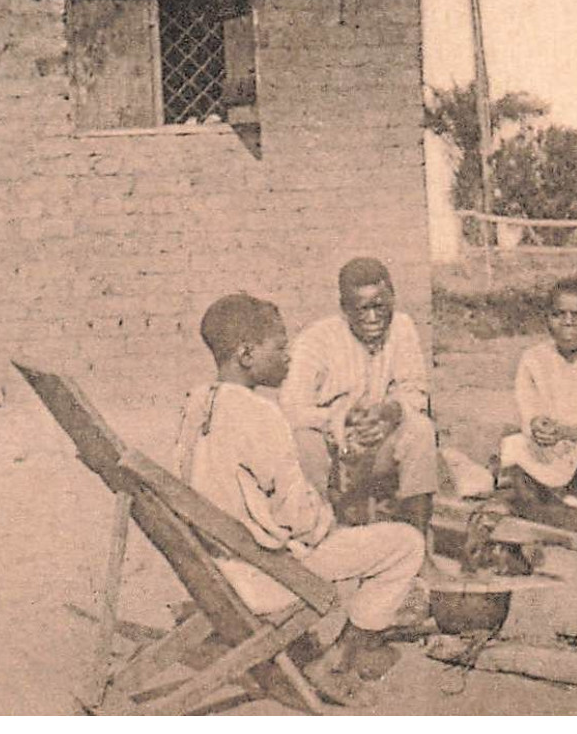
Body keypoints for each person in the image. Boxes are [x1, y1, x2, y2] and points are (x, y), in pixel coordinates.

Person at [175, 293, 424, 700]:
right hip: (262, 578)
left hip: (215, 569)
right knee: (404, 545)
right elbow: (299, 517)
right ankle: (335, 661)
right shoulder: (260, 415)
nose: (288, 355)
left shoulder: (200, 403)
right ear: (246, 354)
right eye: (280, 346)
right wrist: (331, 521)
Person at [280, 258, 438, 533]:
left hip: (378, 443)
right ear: (345, 310)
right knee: (303, 441)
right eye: (363, 309)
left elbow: (415, 391)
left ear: (393, 299)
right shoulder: (315, 341)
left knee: (420, 430)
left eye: (380, 306)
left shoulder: (402, 328)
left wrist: (393, 412)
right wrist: (342, 419)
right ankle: (322, 538)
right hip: (333, 451)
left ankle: (422, 550)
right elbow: (290, 408)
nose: (374, 318)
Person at [497, 278, 577, 570]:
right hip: (550, 444)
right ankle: (536, 532)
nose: (567, 324)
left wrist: (571, 431)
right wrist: (536, 424)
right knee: (514, 448)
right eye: (558, 315)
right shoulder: (534, 359)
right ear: (547, 319)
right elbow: (527, 405)